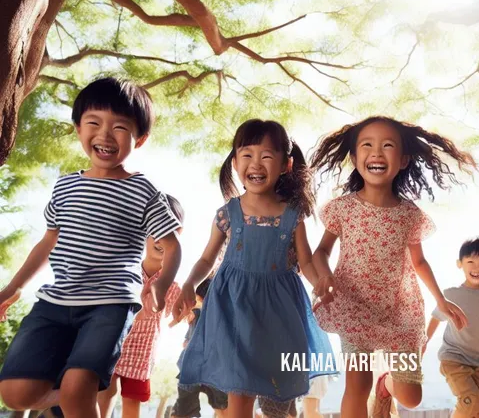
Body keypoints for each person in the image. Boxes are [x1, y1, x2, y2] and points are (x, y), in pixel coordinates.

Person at [0, 77, 182, 417]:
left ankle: (74, 394)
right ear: (78, 128)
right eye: (94, 123)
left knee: (79, 386)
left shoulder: (144, 191)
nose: (105, 135)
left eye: (120, 128)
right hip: (56, 301)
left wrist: (161, 283)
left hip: (109, 304)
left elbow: (172, 246)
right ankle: (67, 396)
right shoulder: (65, 186)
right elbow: (48, 241)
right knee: (15, 393)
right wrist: (12, 288)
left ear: (140, 139)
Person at [310, 116, 473, 417]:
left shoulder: (410, 215)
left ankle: (385, 386)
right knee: (357, 385)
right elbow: (320, 252)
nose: (376, 152)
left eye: (388, 146)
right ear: (355, 157)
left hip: (401, 310)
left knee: (411, 397)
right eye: (367, 145)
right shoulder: (343, 208)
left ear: (403, 159)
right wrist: (325, 275)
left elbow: (419, 261)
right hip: (354, 306)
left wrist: (441, 300)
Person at [172, 119, 334, 418]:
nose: (256, 163)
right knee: (239, 397)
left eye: (267, 155)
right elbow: (208, 259)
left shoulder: (293, 215)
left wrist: (321, 279)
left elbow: (306, 260)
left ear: (286, 164)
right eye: (247, 154)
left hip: (280, 315)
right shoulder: (228, 214)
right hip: (235, 310)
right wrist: (189, 284)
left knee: (280, 399)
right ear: (235, 162)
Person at [98, 195, 186, 418]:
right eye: (153, 228)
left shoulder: (173, 285)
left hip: (141, 355)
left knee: (132, 403)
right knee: (106, 393)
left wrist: (186, 314)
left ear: (179, 233)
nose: (159, 237)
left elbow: (183, 313)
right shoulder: (126, 272)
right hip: (112, 346)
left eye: (168, 228)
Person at [424, 236, 479, 418]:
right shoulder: (451, 295)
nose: (476, 267)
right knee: (470, 401)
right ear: (460, 264)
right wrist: (423, 342)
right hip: (455, 358)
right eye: (470, 261)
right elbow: (435, 318)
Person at [171, 278, 227, 418]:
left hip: (198, 369)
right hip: (213, 370)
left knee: (185, 411)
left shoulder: (198, 312)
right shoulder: (201, 314)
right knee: (222, 408)